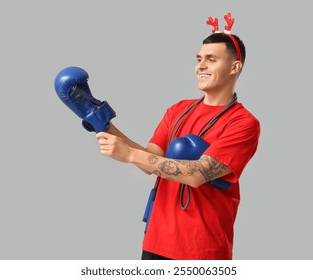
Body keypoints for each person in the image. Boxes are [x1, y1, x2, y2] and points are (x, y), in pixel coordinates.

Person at [94, 16, 260, 260]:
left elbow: (197, 174)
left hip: (201, 249)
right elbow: (149, 161)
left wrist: (130, 154)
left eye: (211, 60)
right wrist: (101, 122)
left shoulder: (243, 123)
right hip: (156, 241)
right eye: (199, 59)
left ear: (235, 67)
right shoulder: (178, 110)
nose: (200, 66)